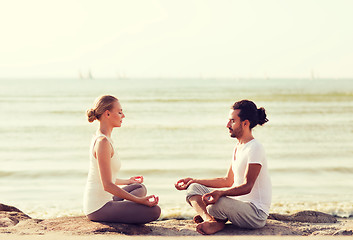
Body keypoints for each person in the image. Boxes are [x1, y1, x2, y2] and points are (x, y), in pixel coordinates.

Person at [175, 100, 271, 235]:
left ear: (245, 123)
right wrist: (195, 180)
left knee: (216, 203)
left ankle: (216, 218)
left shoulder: (255, 148)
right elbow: (227, 181)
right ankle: (210, 220)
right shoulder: (238, 147)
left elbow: (248, 186)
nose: (227, 125)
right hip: (236, 206)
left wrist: (221, 193)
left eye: (232, 121)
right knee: (193, 189)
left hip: (255, 214)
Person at [83, 95, 161, 223]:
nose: (123, 116)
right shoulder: (102, 142)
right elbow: (107, 185)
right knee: (155, 211)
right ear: (107, 114)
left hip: (108, 199)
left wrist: (128, 181)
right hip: (98, 207)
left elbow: (103, 177)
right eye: (119, 112)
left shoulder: (103, 138)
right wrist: (140, 201)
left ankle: (123, 208)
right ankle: (123, 210)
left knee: (139, 187)